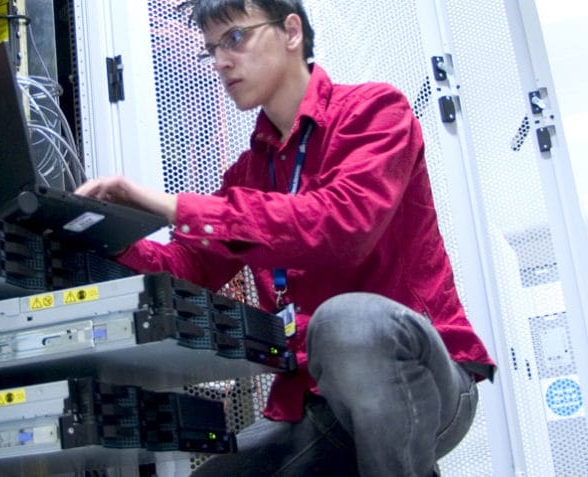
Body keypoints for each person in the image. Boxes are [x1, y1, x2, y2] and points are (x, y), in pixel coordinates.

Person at [75, 0, 496, 475]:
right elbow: (189, 268)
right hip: (313, 401)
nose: (220, 61)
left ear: (291, 32)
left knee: (349, 321)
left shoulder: (376, 112)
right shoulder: (249, 173)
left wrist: (172, 205)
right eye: (211, 49)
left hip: (424, 383)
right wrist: (107, 236)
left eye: (234, 38)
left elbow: (342, 225)